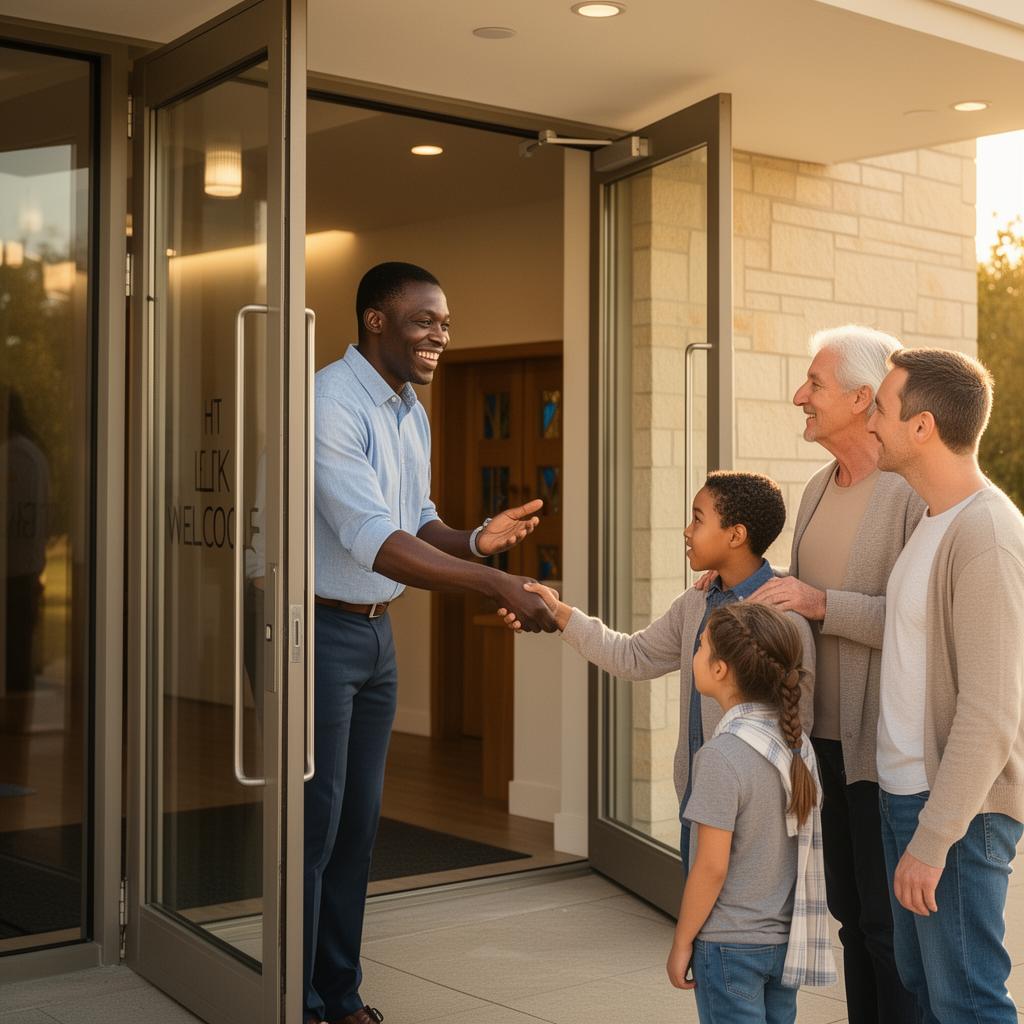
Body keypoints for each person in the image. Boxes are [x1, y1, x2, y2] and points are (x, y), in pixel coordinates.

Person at [308, 261, 557, 1024]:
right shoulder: (327, 402)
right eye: (424, 320)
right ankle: (293, 998)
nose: (439, 335)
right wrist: (499, 587)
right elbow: (373, 539)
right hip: (314, 634)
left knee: (359, 829)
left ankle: (339, 993)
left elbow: (416, 521)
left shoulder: (410, 409)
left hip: (377, 639)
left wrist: (479, 541)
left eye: (445, 322)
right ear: (376, 321)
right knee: (314, 828)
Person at [500, 470, 815, 870]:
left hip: (756, 817)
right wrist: (558, 612)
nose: (686, 530)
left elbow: (798, 728)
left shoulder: (785, 618)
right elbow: (632, 655)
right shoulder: (695, 603)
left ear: (735, 536)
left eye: (698, 519)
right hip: (697, 801)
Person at [744, 325, 923, 1024]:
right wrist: (739, 583)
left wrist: (821, 604)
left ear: (860, 396)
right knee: (849, 917)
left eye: (813, 386)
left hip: (881, 746)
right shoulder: (820, 487)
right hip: (822, 742)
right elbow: (800, 586)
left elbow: (918, 623)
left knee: (886, 928)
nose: (800, 397)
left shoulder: (908, 493)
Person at [866, 347, 1024, 1024]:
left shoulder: (985, 533)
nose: (869, 420)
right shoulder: (932, 519)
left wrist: (932, 840)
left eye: (879, 407)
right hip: (907, 796)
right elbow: (913, 632)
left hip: (954, 811)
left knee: (966, 1001)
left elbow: (991, 711)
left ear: (923, 426)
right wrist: (813, 604)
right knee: (927, 991)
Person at [666, 602, 836, 1023]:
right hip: (783, 947)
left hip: (728, 948)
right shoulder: (797, 748)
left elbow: (710, 868)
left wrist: (682, 941)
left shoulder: (720, 756)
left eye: (701, 647)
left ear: (721, 669)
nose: (694, 656)